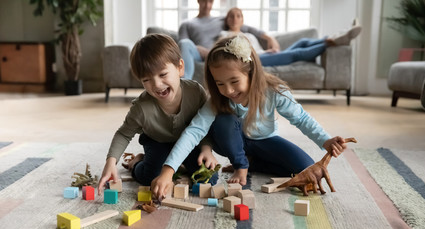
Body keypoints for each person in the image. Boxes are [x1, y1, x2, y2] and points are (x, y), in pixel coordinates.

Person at [150, 35, 348, 199]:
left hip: (266, 141)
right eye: (219, 84)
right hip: (231, 142)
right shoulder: (217, 100)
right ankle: (241, 165)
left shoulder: (274, 91)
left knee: (306, 170)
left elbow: (302, 119)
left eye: (234, 81)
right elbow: (194, 131)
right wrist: (167, 171)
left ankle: (254, 163)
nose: (227, 90)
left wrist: (325, 140)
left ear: (251, 72)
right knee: (223, 120)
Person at [97, 33, 218, 196]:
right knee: (150, 177)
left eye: (163, 74)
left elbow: (204, 125)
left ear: (180, 67)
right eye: (146, 80)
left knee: (209, 178)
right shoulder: (141, 107)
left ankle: (177, 163)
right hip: (157, 142)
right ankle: (138, 162)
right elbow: (123, 134)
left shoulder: (196, 92)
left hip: (189, 143)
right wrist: (111, 162)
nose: (157, 84)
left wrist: (206, 148)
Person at [221, 7, 362, 67]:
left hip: (263, 55)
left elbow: (256, 48)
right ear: (227, 20)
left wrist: (268, 50)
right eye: (231, 16)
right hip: (254, 60)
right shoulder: (224, 35)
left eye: (238, 16)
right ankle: (331, 42)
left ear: (242, 20)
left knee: (303, 41)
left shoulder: (248, 34)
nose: (234, 19)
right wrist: (264, 53)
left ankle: (332, 37)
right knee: (296, 53)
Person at [179, 0, 280, 79]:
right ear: (198, 1)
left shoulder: (222, 20)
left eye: (210, 1)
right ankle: (185, 83)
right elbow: (183, 45)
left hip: (219, 52)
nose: (207, 5)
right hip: (199, 53)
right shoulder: (187, 24)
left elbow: (247, 28)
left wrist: (269, 38)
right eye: (204, 1)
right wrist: (199, 48)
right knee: (184, 43)